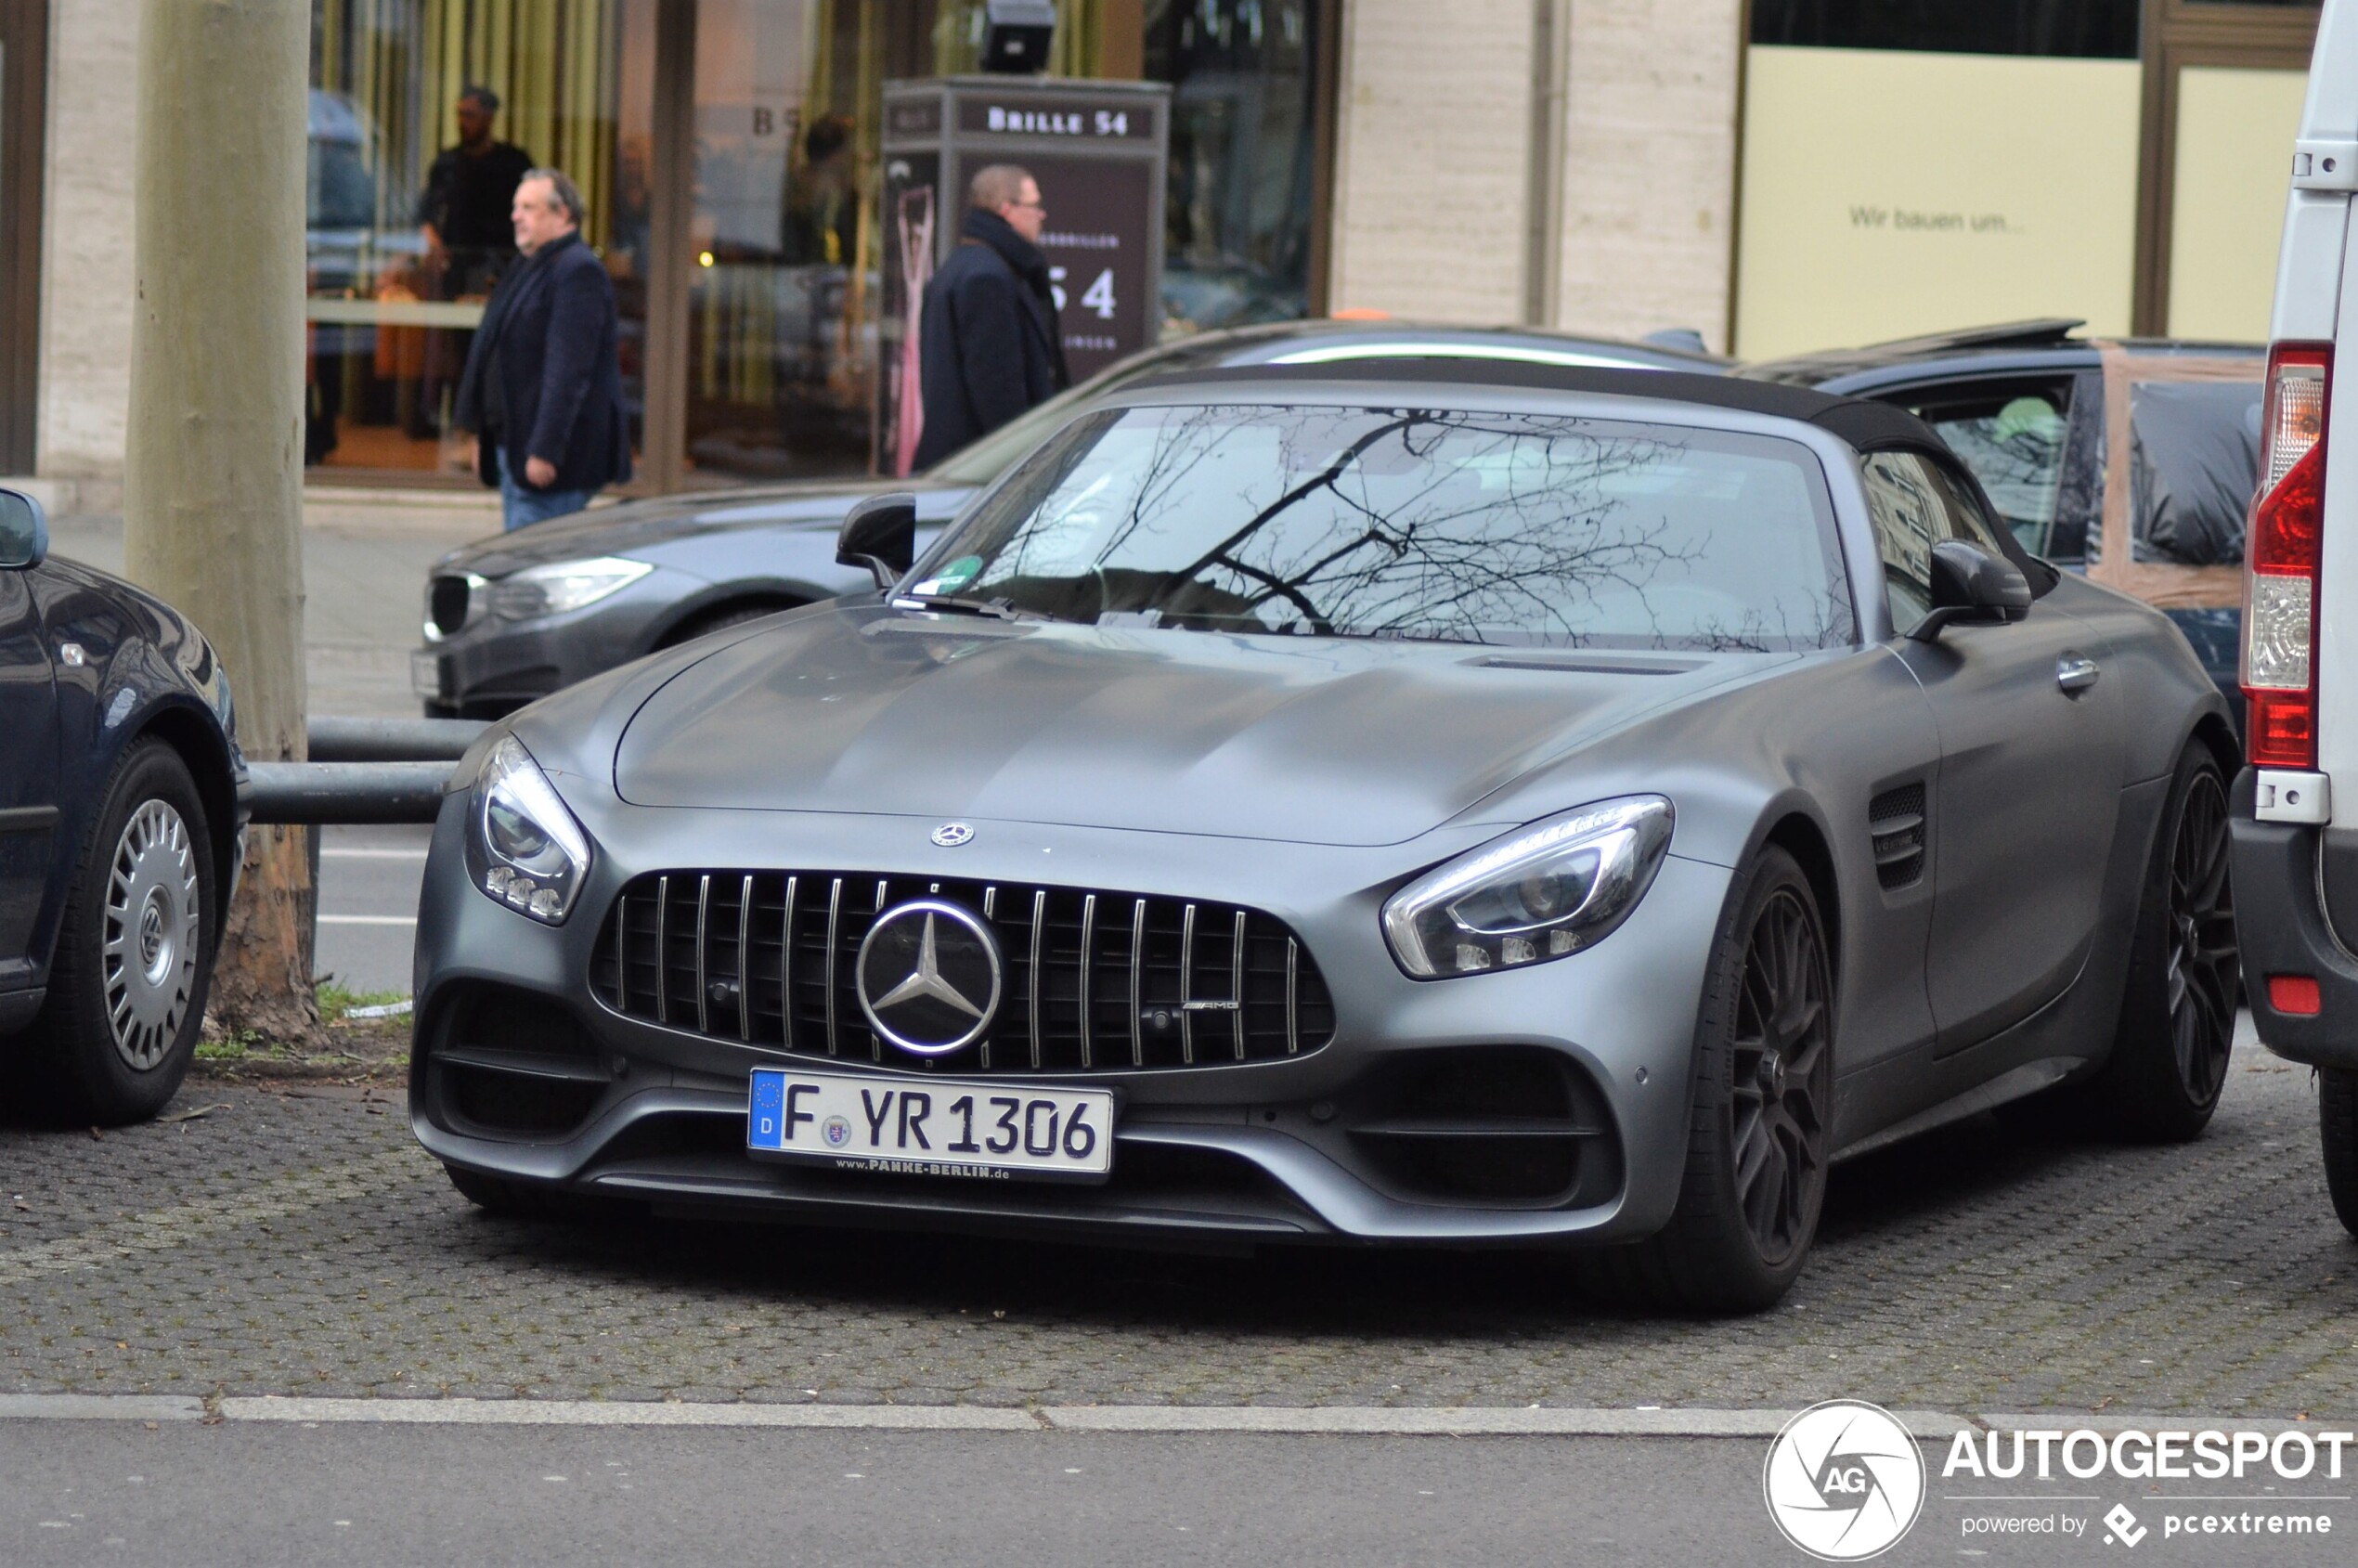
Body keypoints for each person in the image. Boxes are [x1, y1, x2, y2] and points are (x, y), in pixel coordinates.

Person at [453, 169, 633, 530]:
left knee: (535, 571)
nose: (515, 216)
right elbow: (496, 347)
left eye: (528, 207)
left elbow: (568, 372)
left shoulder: (577, 271)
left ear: (562, 214)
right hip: (515, 447)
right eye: (516, 206)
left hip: (551, 460)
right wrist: (482, 436)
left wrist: (545, 450)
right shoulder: (533, 263)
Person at [911, 163, 1070, 469]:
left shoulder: (962, 266)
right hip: (979, 472)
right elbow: (998, 392)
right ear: (1006, 209)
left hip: (956, 462)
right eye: (1034, 204)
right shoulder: (989, 278)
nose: (1042, 214)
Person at [417, 85, 536, 298]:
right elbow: (427, 210)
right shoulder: (448, 163)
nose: (463, 123)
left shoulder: (513, 163)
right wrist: (434, 243)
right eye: (460, 115)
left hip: (503, 262)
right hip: (457, 265)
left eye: (470, 115)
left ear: (489, 118)